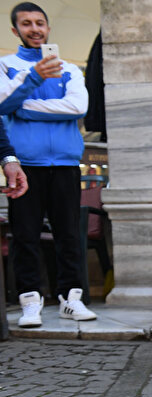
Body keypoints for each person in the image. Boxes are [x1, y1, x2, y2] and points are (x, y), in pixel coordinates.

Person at [0, 2, 95, 327]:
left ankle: (72, 299)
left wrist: (22, 107)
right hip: (25, 165)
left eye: (39, 22)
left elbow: (77, 106)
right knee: (25, 236)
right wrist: (32, 80)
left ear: (48, 28)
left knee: (68, 235)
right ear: (15, 30)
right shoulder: (6, 65)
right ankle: (30, 301)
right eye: (26, 24)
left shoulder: (70, 68)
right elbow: (1, 104)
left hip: (66, 163)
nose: (34, 28)